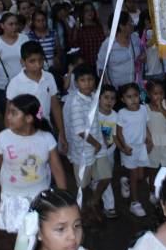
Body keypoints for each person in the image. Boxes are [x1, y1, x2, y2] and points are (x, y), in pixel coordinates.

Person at [0, 94, 67, 236]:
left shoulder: (46, 138)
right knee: (20, 235)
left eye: (14, 113)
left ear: (29, 118)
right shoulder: (4, 137)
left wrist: (64, 199)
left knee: (38, 234)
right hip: (12, 197)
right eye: (8, 111)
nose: (8, 116)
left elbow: (57, 169)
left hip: (39, 196)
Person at [64, 64, 109, 220]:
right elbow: (80, 130)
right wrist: (96, 143)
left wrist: (100, 142)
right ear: (76, 83)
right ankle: (82, 213)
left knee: (106, 177)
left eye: (90, 79)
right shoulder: (75, 102)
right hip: (84, 149)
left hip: (98, 145)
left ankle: (94, 201)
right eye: (83, 80)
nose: (87, 83)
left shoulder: (94, 96)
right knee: (83, 185)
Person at [6, 41, 67, 154]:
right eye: (32, 61)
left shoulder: (49, 77)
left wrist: (62, 133)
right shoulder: (15, 83)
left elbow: (55, 106)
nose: (38, 65)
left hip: (46, 129)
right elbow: (9, 114)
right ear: (22, 62)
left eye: (40, 60)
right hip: (24, 133)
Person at [116, 83, 153, 218]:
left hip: (141, 147)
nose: (133, 99)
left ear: (140, 96)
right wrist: (124, 146)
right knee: (134, 176)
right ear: (123, 99)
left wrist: (150, 139)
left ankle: (124, 181)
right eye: (129, 97)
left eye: (135, 96)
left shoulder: (143, 109)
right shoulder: (122, 113)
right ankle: (134, 203)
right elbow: (119, 132)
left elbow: (145, 125)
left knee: (140, 176)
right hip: (129, 149)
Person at [0, 13, 30, 115]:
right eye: (10, 24)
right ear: (2, 26)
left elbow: (31, 58)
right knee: (9, 116)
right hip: (2, 87)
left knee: (26, 114)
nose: (14, 27)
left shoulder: (24, 38)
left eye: (16, 24)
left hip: (23, 84)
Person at [97, 13, 143, 90]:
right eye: (130, 23)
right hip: (117, 89)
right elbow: (101, 68)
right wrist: (108, 87)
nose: (133, 25)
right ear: (121, 26)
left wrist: (142, 56)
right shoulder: (108, 44)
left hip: (136, 87)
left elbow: (141, 53)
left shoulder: (135, 38)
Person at [96, 84, 118, 219]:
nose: (109, 101)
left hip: (110, 151)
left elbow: (116, 135)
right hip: (96, 152)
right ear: (99, 98)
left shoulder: (116, 116)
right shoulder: (94, 115)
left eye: (112, 98)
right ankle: (109, 206)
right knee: (106, 177)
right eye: (106, 98)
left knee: (106, 176)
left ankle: (97, 189)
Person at [146, 80, 166, 171]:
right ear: (148, 94)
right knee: (152, 168)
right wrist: (148, 140)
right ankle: (152, 184)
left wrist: (162, 109)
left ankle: (164, 184)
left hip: (165, 140)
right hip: (152, 141)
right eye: (155, 93)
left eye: (161, 93)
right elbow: (144, 125)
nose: (159, 96)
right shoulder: (145, 108)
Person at [70, 3, 105, 69]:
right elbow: (73, 45)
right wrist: (76, 30)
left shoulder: (98, 27)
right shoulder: (78, 28)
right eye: (86, 10)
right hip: (85, 65)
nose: (90, 12)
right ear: (82, 13)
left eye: (91, 10)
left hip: (100, 63)